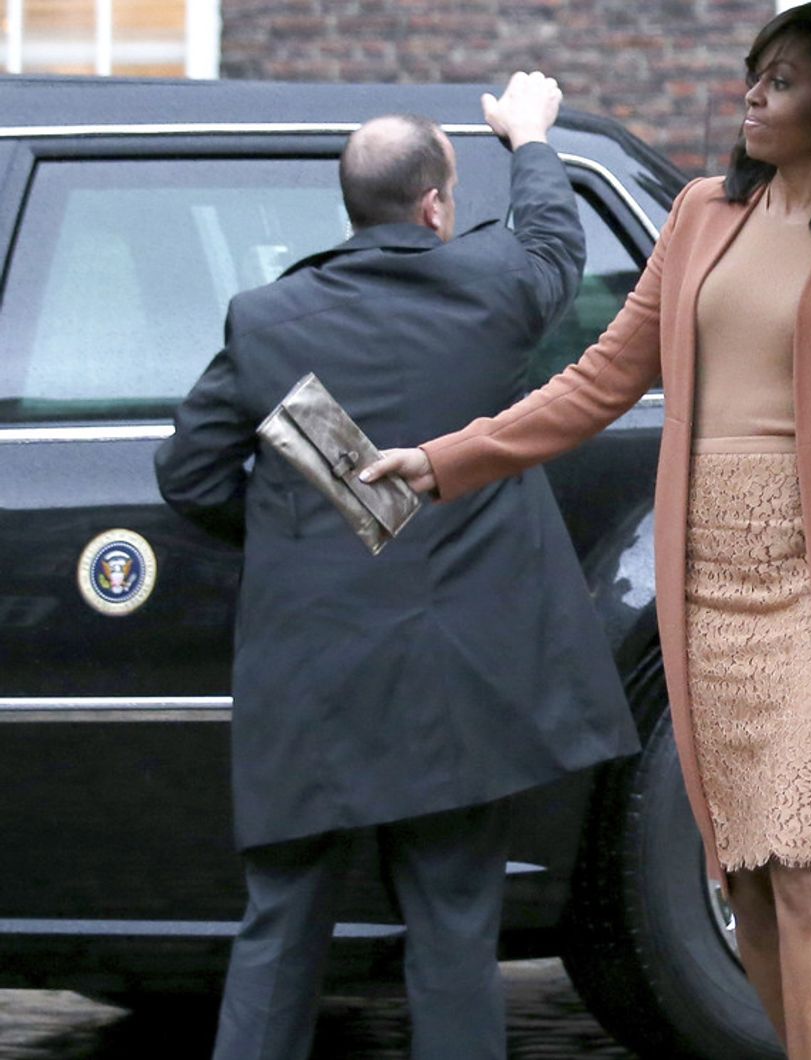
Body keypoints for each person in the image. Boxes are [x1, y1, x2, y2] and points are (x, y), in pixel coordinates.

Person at [364, 4, 811, 1056]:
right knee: (752, 875)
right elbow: (596, 384)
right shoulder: (700, 215)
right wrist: (448, 460)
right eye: (754, 74)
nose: (755, 95)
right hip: (707, 580)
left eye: (786, 79)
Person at [154, 73, 640, 1060]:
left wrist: (313, 525)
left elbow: (189, 472)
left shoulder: (264, 319)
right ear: (435, 205)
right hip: (455, 679)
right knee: (456, 926)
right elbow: (554, 240)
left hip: (311, 670)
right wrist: (530, 139)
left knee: (282, 922)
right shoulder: (495, 288)